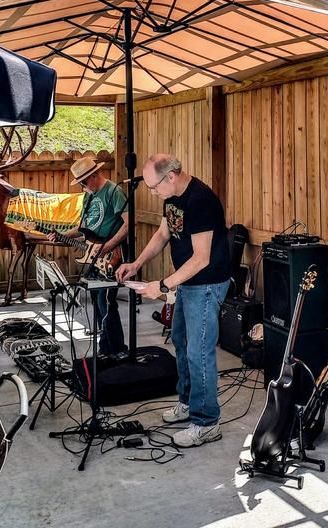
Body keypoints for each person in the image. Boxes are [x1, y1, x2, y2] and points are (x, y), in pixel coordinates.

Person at [117, 154, 231, 448]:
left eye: (154, 187)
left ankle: (207, 422)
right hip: (187, 284)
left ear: (171, 177)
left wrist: (163, 285)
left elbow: (202, 259)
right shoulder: (172, 199)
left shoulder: (201, 201)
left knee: (199, 352)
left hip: (206, 285)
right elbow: (162, 234)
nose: (152, 193)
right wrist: (137, 263)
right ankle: (187, 403)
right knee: (180, 341)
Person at [57, 155, 128, 356]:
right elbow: (83, 228)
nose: (82, 186)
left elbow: (129, 223)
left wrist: (108, 246)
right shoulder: (88, 196)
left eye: (83, 181)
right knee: (98, 300)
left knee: (106, 301)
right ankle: (106, 348)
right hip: (95, 255)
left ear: (95, 175)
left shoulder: (114, 192)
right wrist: (62, 236)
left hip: (112, 254)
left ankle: (115, 349)